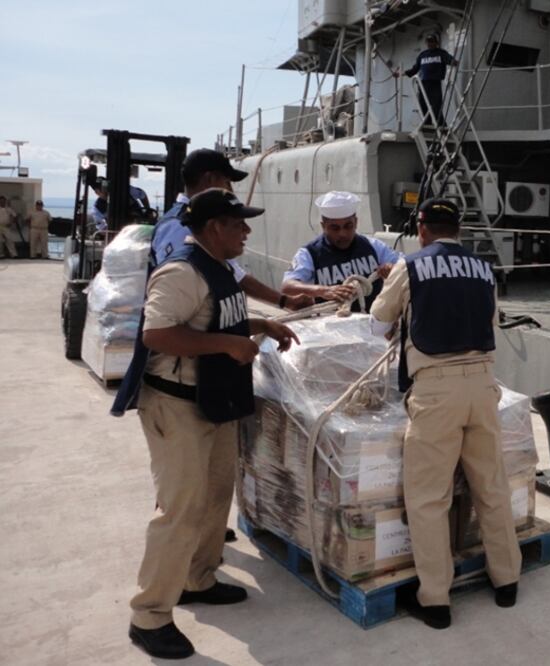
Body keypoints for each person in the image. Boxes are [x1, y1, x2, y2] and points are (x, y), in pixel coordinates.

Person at [124, 188, 299, 659]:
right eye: (238, 223)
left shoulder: (219, 270)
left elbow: (216, 319)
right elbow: (157, 333)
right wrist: (227, 346)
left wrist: (260, 326)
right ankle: (149, 615)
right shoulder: (182, 272)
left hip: (214, 403)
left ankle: (196, 578)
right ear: (214, 227)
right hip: (177, 406)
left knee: (216, 494)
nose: (246, 231)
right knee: (179, 509)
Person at [369, 198, 520, 630]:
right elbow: (489, 322)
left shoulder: (411, 266)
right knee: (491, 485)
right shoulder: (483, 269)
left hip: (435, 391)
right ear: (459, 228)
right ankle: (506, 579)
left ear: (422, 229)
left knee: (428, 497)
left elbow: (379, 324)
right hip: (482, 385)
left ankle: (435, 600)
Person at [153, 149, 312, 312]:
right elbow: (173, 305)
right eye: (228, 182)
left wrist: (284, 301)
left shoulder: (197, 223)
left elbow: (236, 275)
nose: (231, 190)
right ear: (210, 179)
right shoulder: (178, 226)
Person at [281, 190, 399, 313]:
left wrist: (392, 268)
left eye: (348, 226)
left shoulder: (374, 247)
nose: (342, 234)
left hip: (369, 323)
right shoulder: (309, 253)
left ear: (356, 222)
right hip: (329, 326)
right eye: (334, 228)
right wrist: (323, 291)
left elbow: (404, 267)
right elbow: (287, 286)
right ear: (323, 226)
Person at [396, 33, 458, 127]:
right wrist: (400, 74)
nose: (430, 44)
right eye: (428, 42)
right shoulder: (422, 55)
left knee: (436, 106)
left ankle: (441, 126)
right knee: (423, 106)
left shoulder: (441, 53)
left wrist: (454, 62)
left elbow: (450, 60)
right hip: (423, 84)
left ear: (436, 43)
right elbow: (414, 70)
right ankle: (427, 125)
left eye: (432, 42)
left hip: (435, 83)